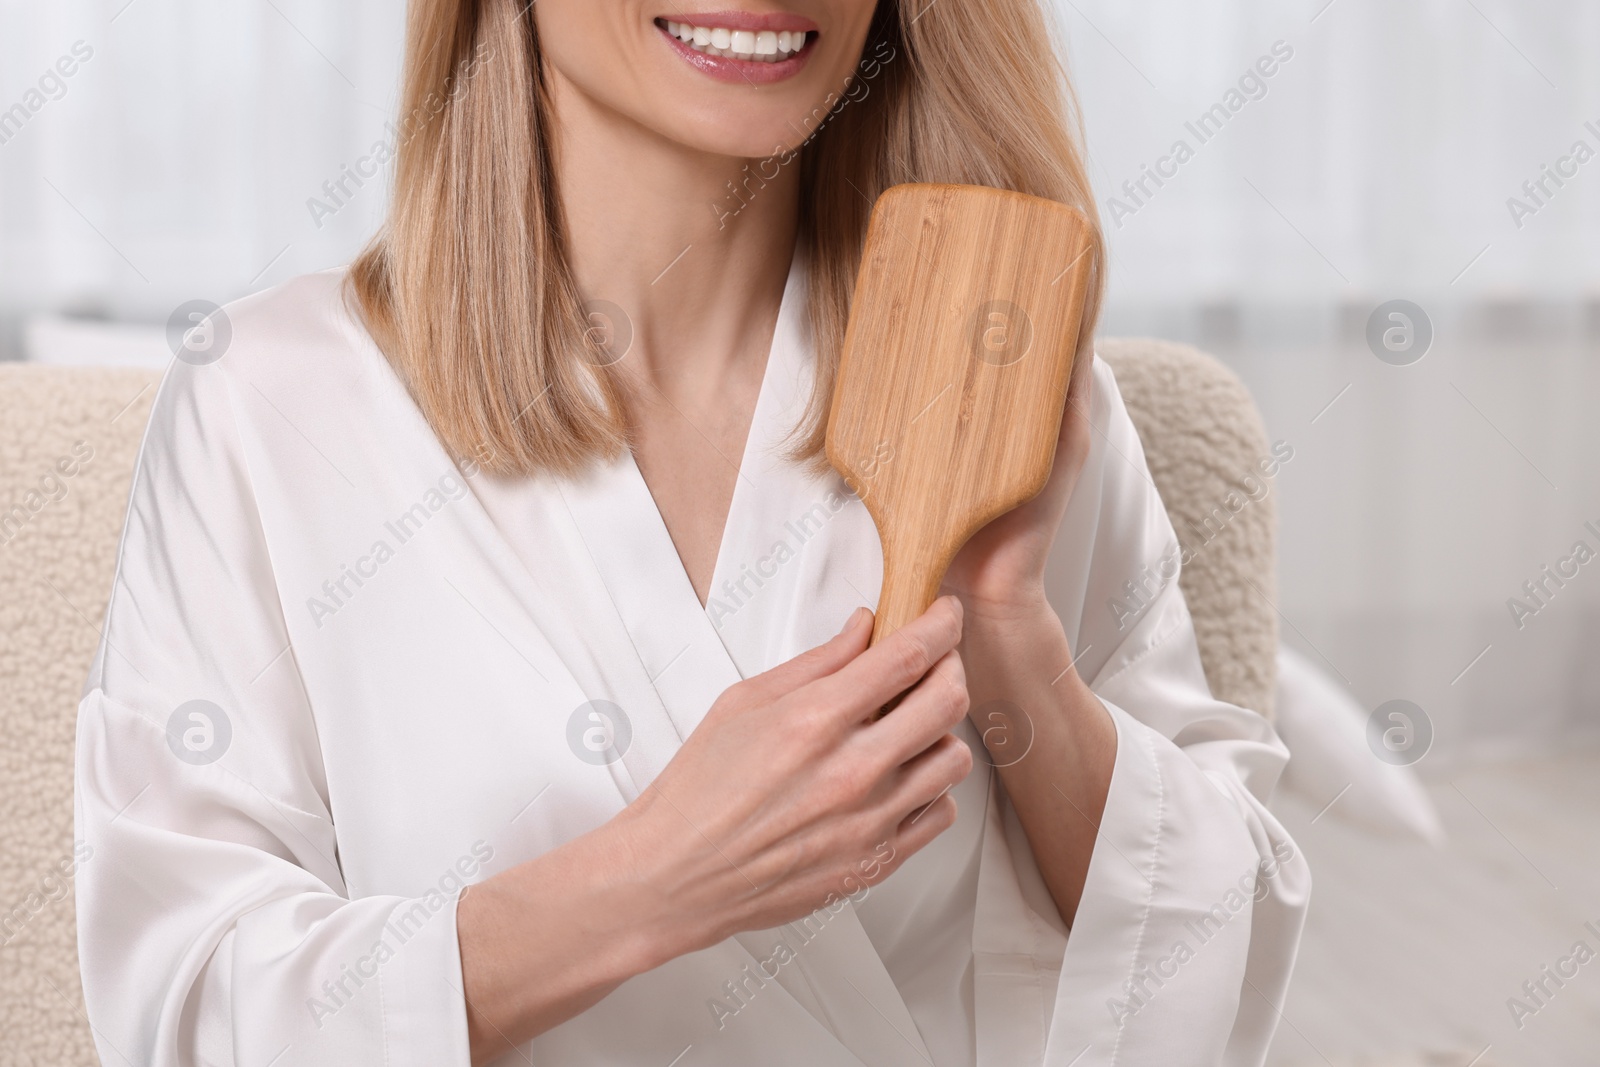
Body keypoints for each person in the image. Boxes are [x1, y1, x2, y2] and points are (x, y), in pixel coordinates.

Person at [75, 2, 1309, 1064]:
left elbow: (1221, 928)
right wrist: (654, 877)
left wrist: (1012, 634)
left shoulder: (993, 381)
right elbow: (185, 1002)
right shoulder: (269, 401)